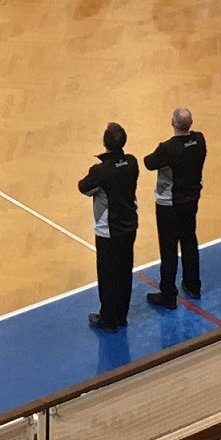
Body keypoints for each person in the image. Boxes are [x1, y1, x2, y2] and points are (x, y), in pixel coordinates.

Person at [77, 122, 139, 332]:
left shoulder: (101, 171)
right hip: (129, 225)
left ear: (105, 144)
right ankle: (121, 315)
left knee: (108, 274)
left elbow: (84, 187)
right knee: (124, 271)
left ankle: (108, 319)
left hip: (108, 230)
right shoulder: (132, 163)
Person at [142, 108, 206, 308]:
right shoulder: (200, 140)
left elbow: (148, 162)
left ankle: (168, 295)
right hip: (192, 199)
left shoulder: (168, 148)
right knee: (189, 240)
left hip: (170, 203)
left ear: (172, 123)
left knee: (168, 248)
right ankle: (193, 285)